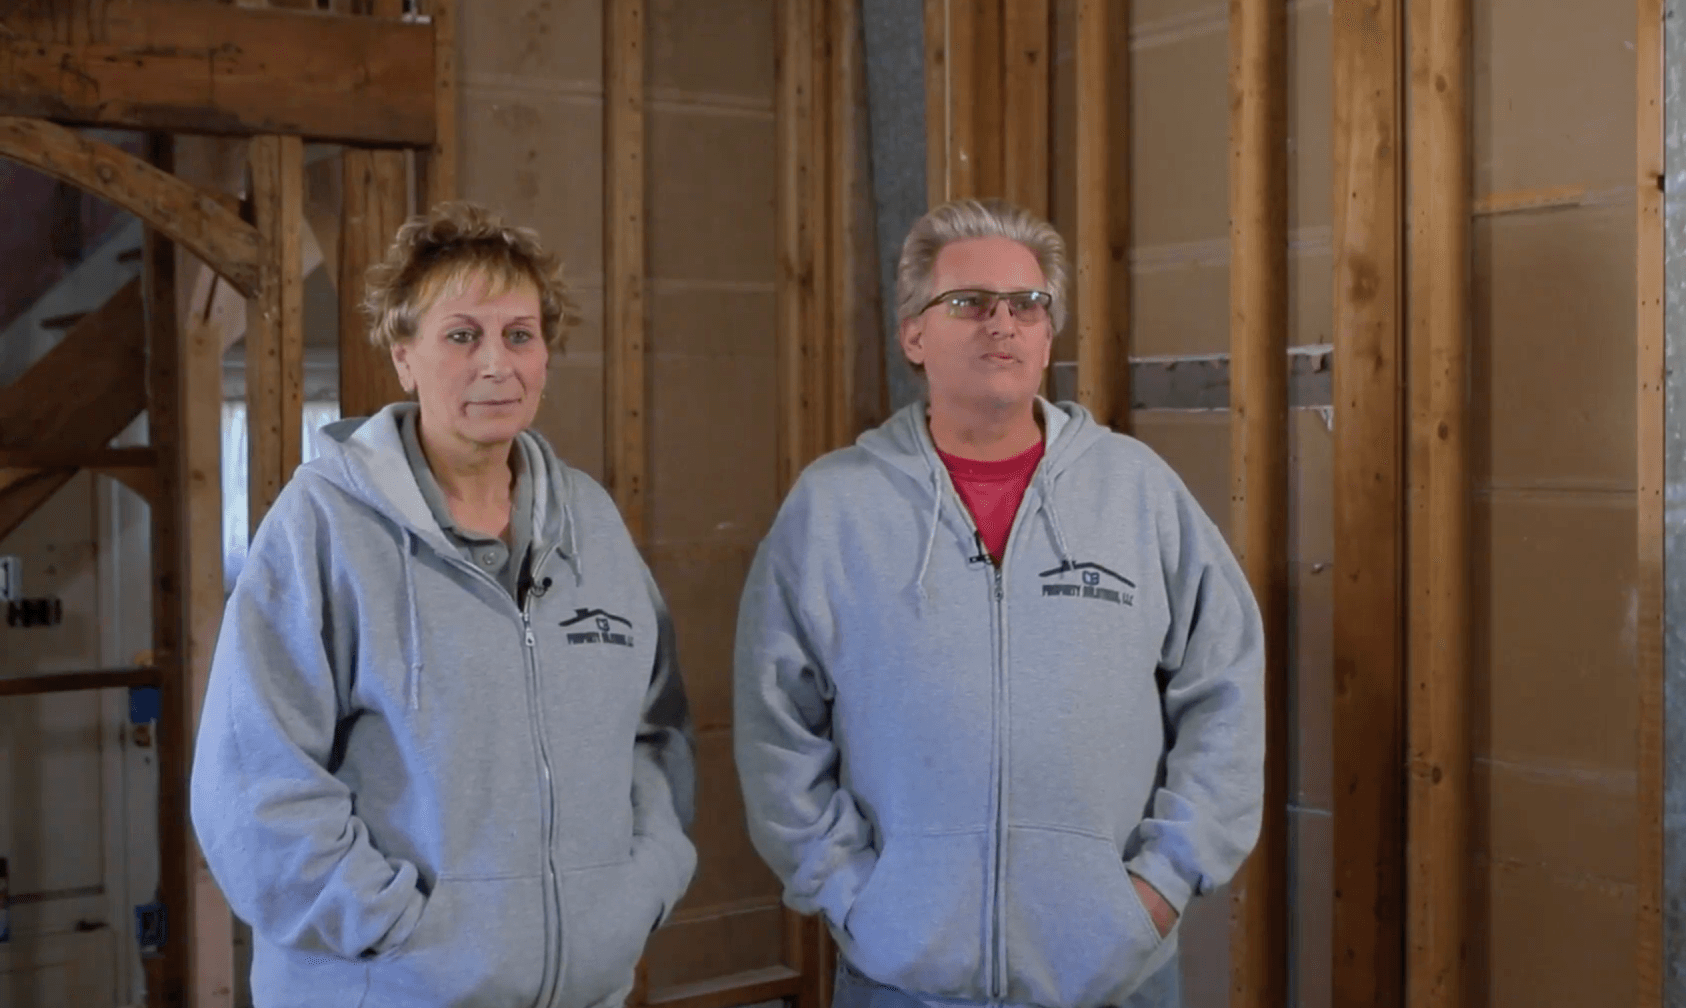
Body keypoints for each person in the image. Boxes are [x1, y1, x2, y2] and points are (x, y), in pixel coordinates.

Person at [733, 198, 1264, 1008]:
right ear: (915, 334)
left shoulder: (1137, 493)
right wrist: (851, 892)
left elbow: (1226, 687)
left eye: (1026, 305)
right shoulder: (835, 508)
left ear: (1049, 336)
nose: (1002, 325)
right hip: (901, 977)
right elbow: (776, 725)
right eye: (970, 303)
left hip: (1114, 976)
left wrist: (1160, 886)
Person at [191, 202, 695, 1008]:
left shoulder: (591, 524)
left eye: (519, 335)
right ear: (404, 357)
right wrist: (400, 931)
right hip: (389, 988)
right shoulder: (323, 524)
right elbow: (251, 783)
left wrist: (638, 892)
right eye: (462, 335)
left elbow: (654, 732)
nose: (496, 364)